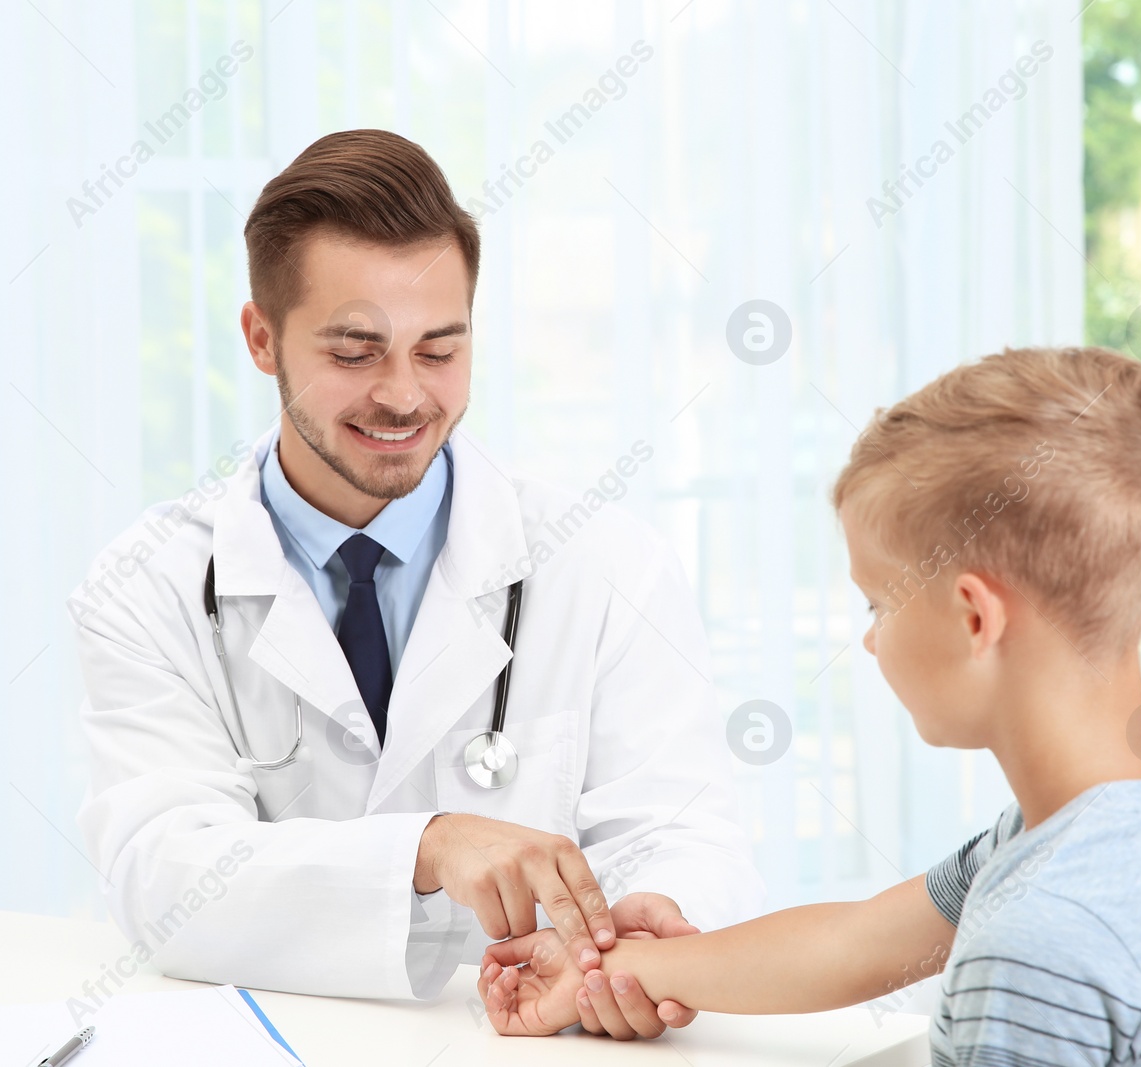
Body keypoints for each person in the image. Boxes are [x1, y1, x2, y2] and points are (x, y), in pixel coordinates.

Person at [68, 129, 762, 1035]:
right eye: (355, 351)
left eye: (439, 350)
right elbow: (161, 875)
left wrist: (634, 946)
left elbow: (685, 832)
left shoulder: (607, 565)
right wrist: (427, 848)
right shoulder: (147, 584)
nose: (403, 395)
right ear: (261, 338)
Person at [478, 347, 1141, 1064]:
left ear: (973, 618)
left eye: (876, 607)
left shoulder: (1041, 940)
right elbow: (856, 942)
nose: (871, 644)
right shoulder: (1133, 819)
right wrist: (611, 966)